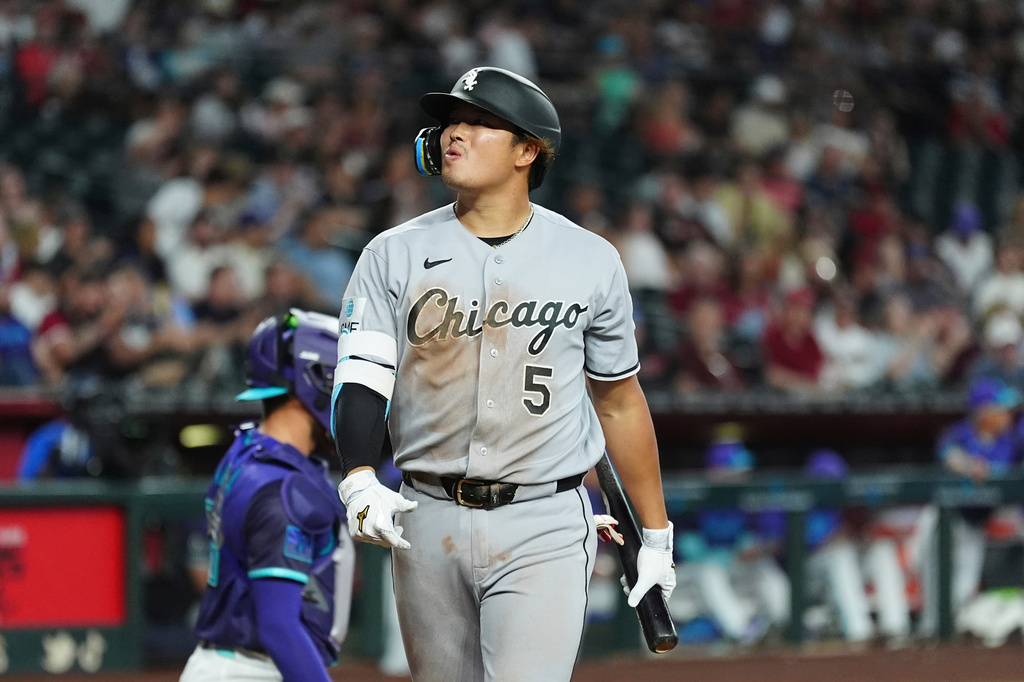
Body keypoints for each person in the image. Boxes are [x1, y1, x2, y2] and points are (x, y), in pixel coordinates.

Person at [330, 66, 674, 682]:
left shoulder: (591, 259)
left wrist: (656, 533)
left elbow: (619, 402)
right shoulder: (391, 253)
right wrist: (358, 476)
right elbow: (361, 378)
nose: (454, 133)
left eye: (480, 122)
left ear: (528, 151)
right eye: (451, 121)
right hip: (426, 514)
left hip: (544, 516)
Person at [179, 310, 354, 682]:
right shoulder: (282, 488)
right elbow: (279, 627)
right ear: (315, 382)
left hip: (229, 664)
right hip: (251, 670)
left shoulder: (248, 449)